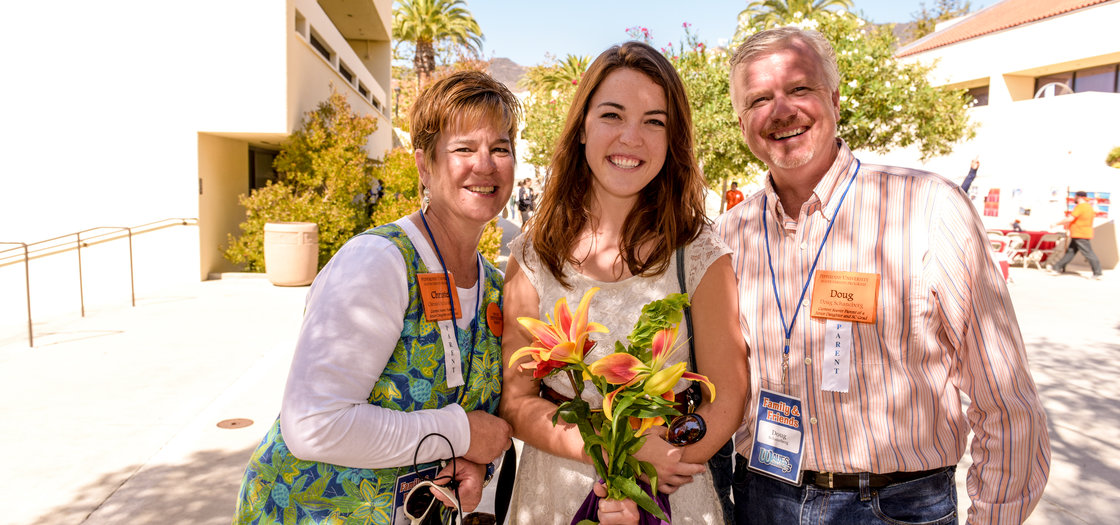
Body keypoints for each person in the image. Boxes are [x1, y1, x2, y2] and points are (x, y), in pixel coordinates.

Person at [717, 27, 1050, 525]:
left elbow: (1004, 398)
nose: (781, 110)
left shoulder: (928, 207)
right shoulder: (730, 233)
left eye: (799, 89)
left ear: (833, 97)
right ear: (742, 121)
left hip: (895, 508)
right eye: (759, 98)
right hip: (764, 497)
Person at [231, 71, 518, 524]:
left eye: (500, 148)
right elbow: (314, 425)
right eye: (464, 148)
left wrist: (474, 460)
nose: (484, 164)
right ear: (425, 165)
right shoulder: (380, 262)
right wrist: (459, 433)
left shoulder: (496, 288)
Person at [500, 41, 748, 525]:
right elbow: (516, 398)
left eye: (654, 121)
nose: (631, 137)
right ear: (581, 129)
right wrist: (614, 458)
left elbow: (730, 393)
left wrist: (663, 458)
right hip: (552, 491)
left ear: (672, 139)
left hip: (669, 488)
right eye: (613, 115)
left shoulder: (698, 252)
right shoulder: (532, 256)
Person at [1049, 190, 1103, 279]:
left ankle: (1098, 272)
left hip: (1080, 233)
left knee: (1088, 253)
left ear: (1079, 197)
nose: (1074, 198)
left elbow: (1070, 218)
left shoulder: (1080, 207)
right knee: (1070, 252)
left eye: (1075, 197)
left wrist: (1056, 224)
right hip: (1081, 233)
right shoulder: (1089, 207)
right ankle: (1057, 268)